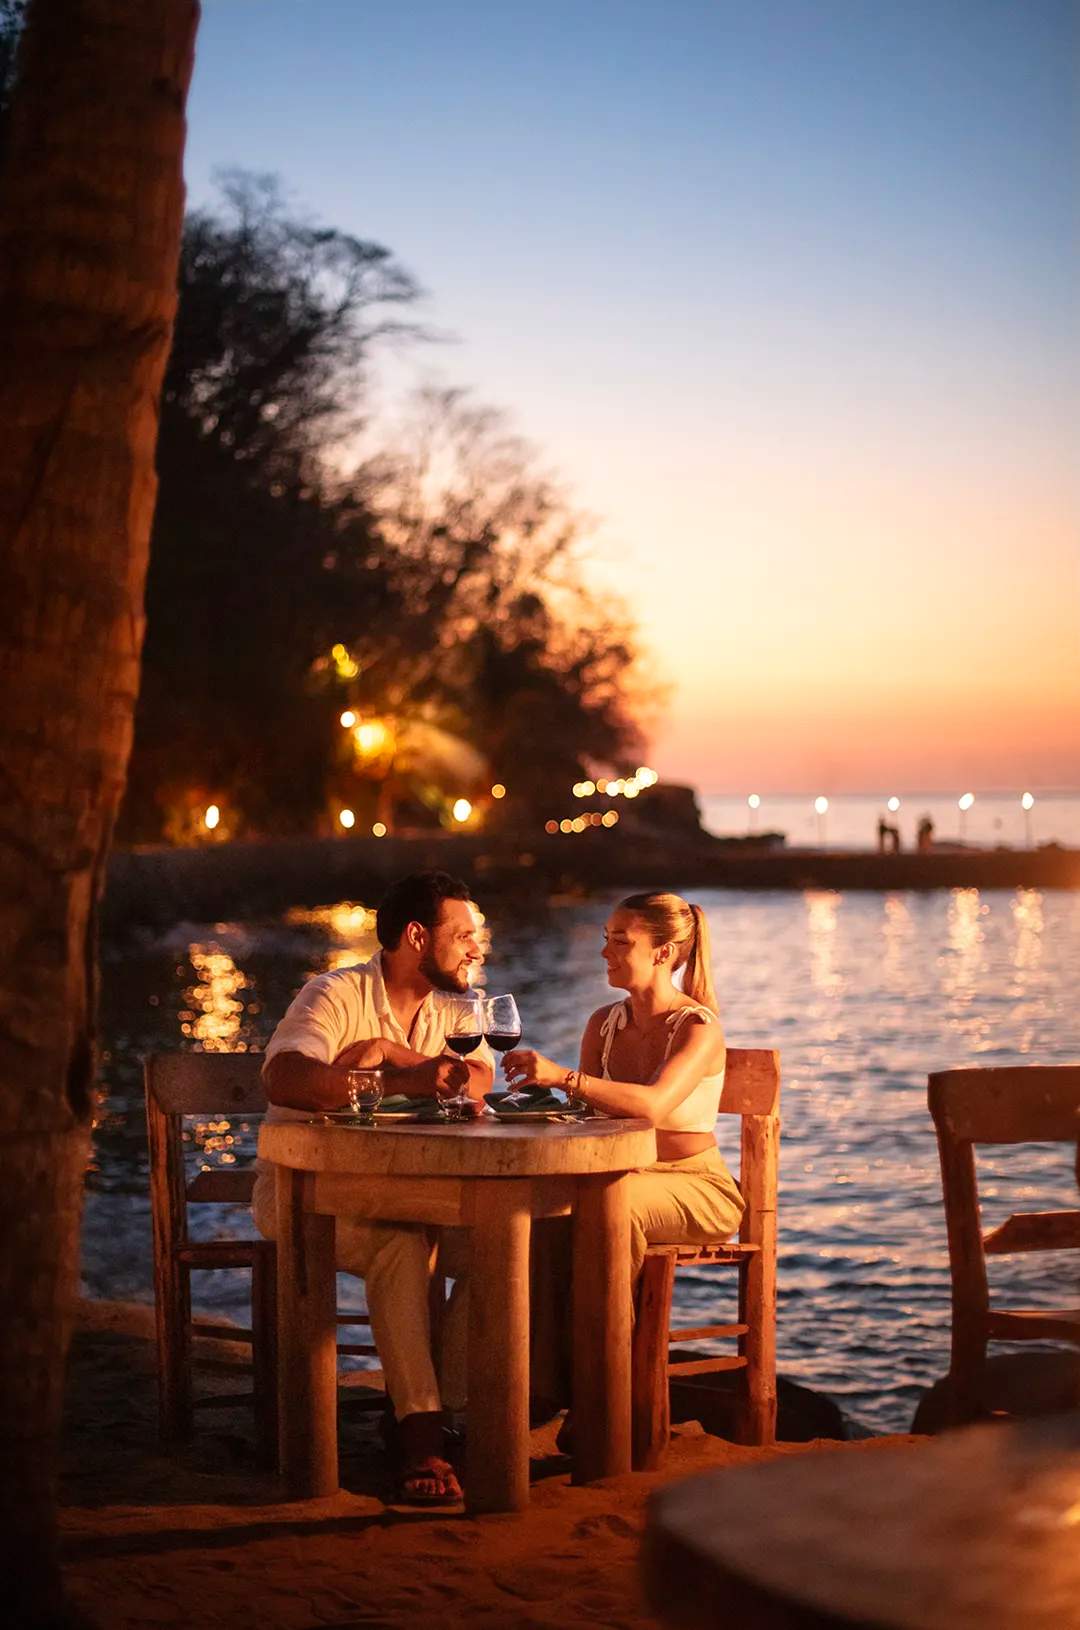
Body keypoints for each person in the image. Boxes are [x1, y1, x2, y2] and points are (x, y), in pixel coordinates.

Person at [252, 870, 493, 1504]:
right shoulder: (334, 993)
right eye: (465, 935)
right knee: (399, 1247)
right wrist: (395, 1083)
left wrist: (395, 1055)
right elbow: (285, 1078)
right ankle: (421, 1440)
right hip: (309, 1196)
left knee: (499, 1245)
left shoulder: (457, 1003)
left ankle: (452, 1412)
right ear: (417, 936)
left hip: (410, 1191)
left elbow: (478, 1081)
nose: (478, 949)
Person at [503, 891, 744, 1292]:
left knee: (614, 1206)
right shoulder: (603, 1025)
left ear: (662, 953)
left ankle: (610, 1351)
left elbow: (652, 1106)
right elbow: (582, 1119)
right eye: (605, 938)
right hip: (615, 1175)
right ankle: (541, 1350)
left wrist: (563, 1077)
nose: (604, 952)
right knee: (528, 1209)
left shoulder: (698, 1028)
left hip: (698, 1186)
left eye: (620, 942)